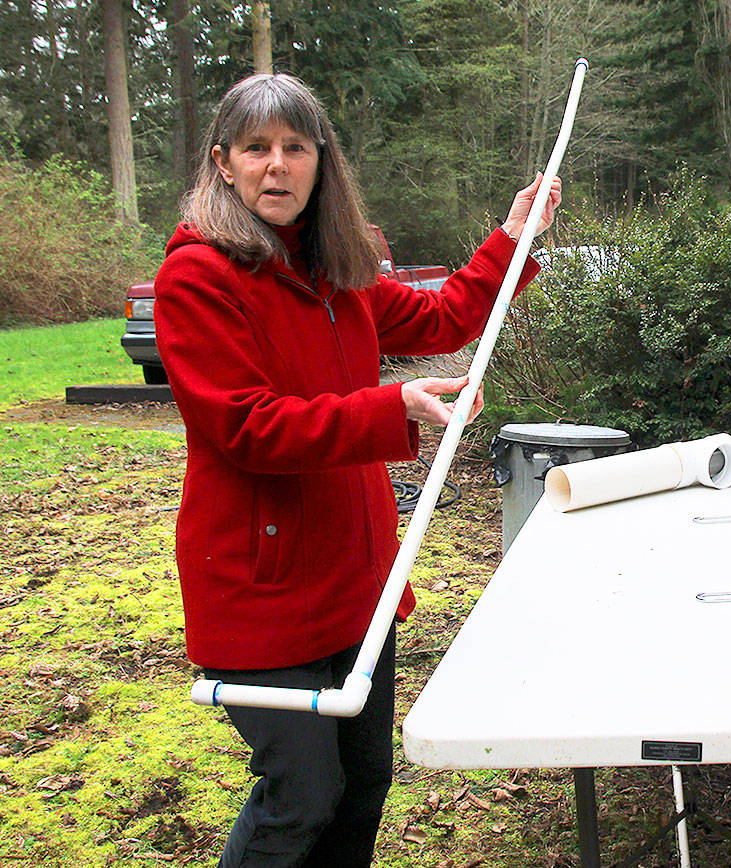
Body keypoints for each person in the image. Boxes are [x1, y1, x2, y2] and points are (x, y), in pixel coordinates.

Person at [154, 72, 561, 867]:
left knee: (365, 778)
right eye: (256, 148)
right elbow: (245, 426)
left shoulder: (340, 269)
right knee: (299, 795)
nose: (277, 166)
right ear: (223, 163)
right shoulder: (197, 278)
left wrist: (513, 236)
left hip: (355, 575)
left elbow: (445, 315)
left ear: (320, 161)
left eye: (294, 147)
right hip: (260, 585)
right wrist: (391, 406)